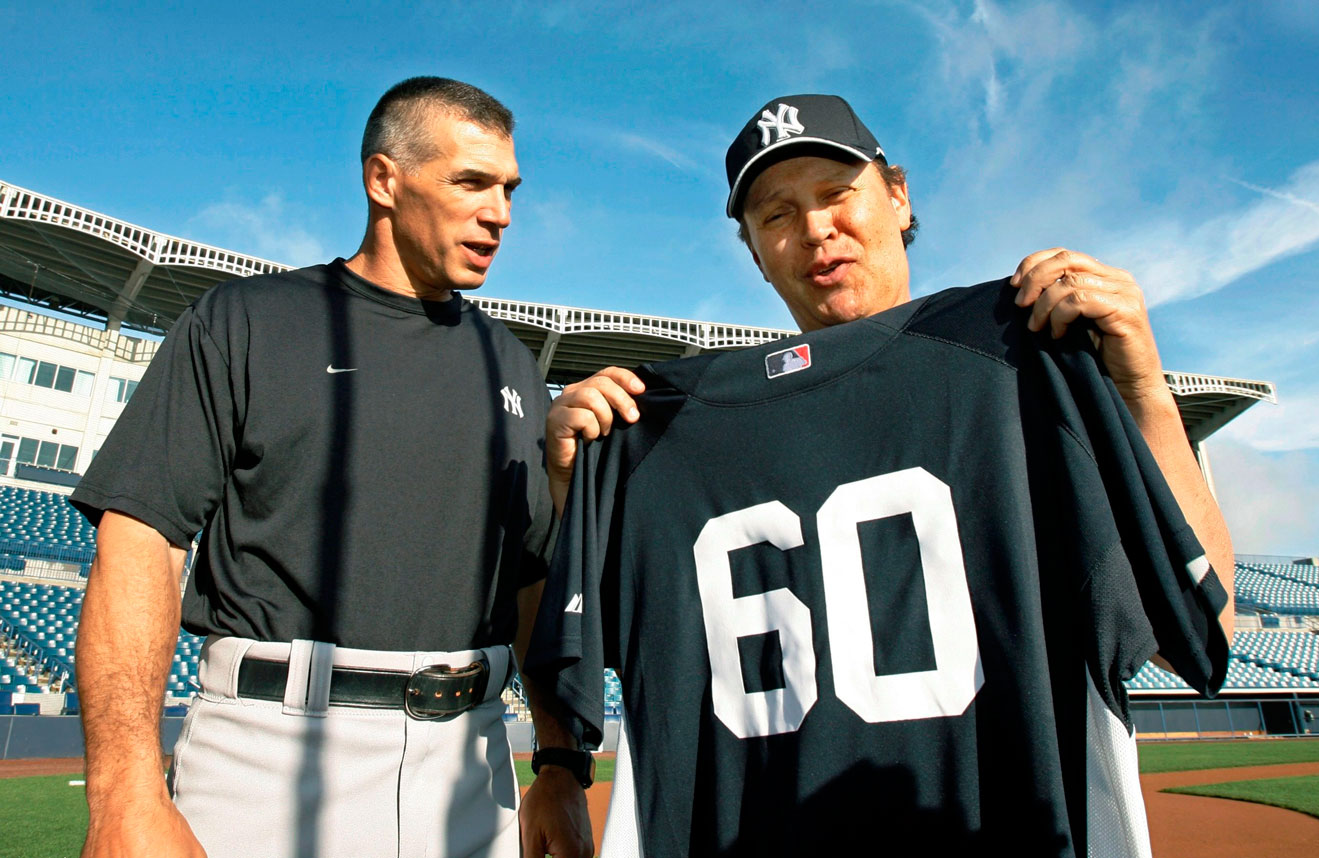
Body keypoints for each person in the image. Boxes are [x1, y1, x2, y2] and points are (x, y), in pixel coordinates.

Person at [532, 94, 1234, 855]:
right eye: (777, 214)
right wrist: (582, 491)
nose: (816, 229)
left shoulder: (1019, 358)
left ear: (898, 196)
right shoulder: (656, 432)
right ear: (755, 253)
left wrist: (1141, 387)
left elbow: (1197, 634)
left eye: (837, 193)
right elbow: (611, 647)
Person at [71, 77, 591, 858]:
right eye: (471, 182)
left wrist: (559, 763)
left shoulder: (515, 366)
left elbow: (530, 586)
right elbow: (140, 540)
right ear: (384, 179)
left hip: (471, 764)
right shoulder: (244, 323)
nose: (500, 213)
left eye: (509, 189)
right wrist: (123, 793)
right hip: (267, 758)